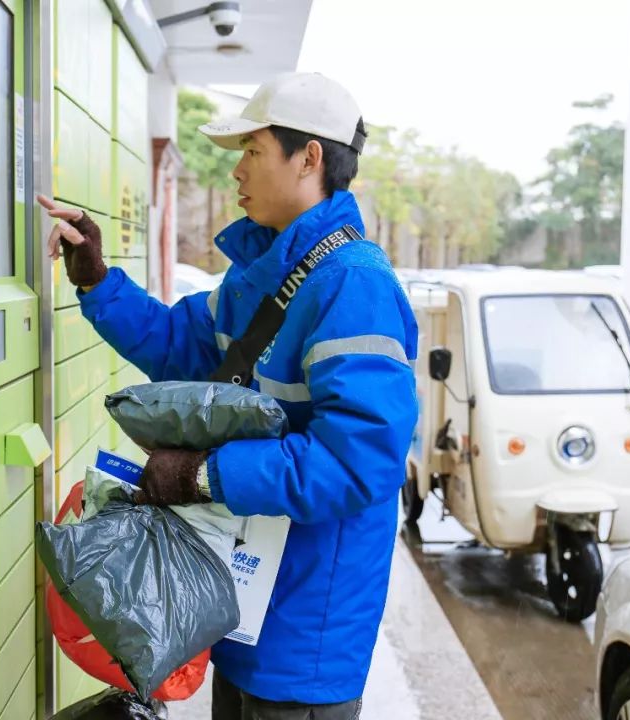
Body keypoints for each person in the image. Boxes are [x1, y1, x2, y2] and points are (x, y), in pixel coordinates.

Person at [38, 72, 418, 720]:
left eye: (253, 150)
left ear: (310, 158)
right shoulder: (257, 280)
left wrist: (201, 475)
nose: (237, 170)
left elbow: (359, 464)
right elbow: (177, 344)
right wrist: (98, 281)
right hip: (240, 600)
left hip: (306, 631)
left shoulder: (354, 286)